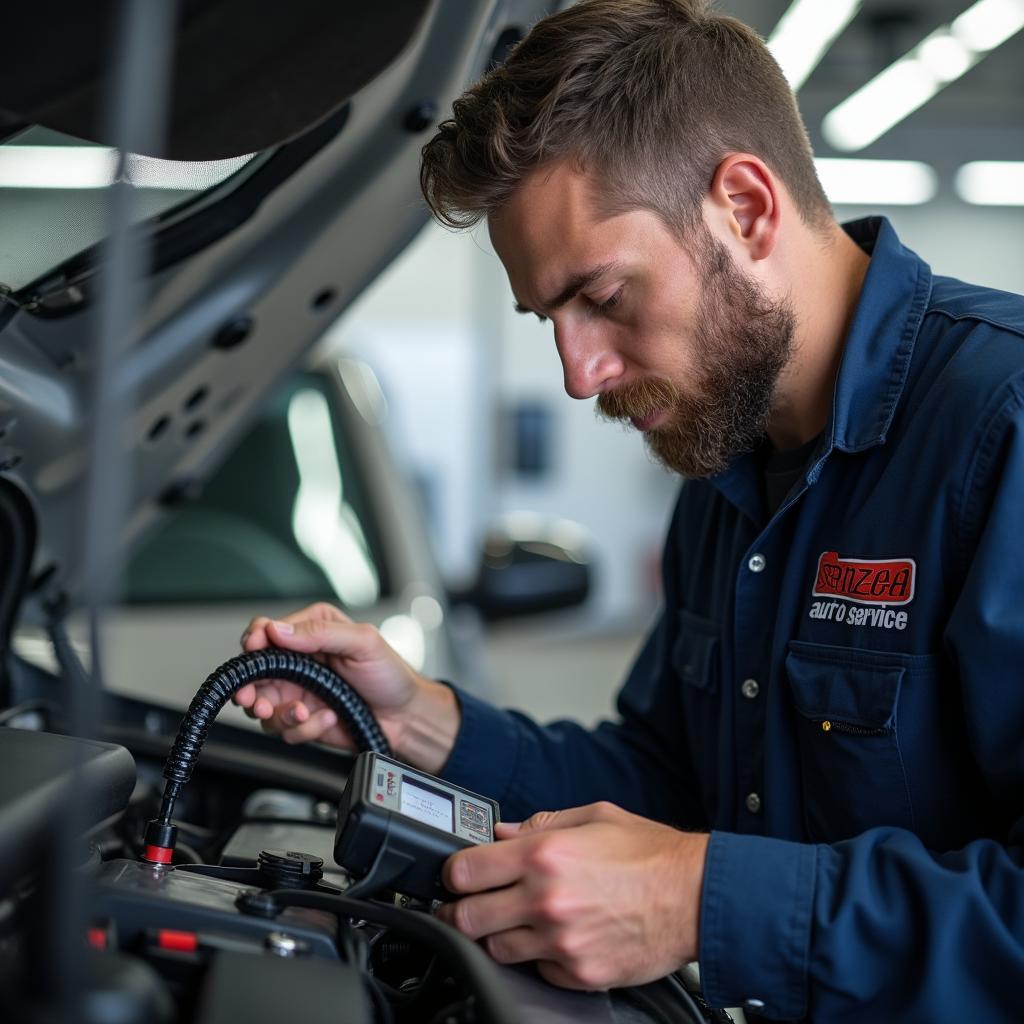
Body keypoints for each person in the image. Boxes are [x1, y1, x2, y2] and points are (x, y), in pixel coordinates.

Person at [234, 1, 1024, 1018]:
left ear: (744, 206)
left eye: (601, 297)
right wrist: (421, 722)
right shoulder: (726, 459)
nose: (576, 373)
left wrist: (700, 901)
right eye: (548, 318)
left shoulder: (1000, 428)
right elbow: (672, 780)